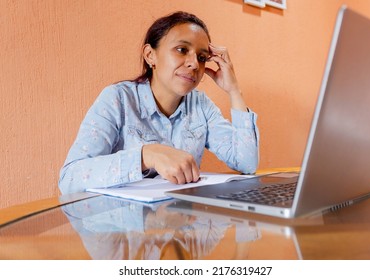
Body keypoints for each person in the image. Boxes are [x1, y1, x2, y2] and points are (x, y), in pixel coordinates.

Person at [59, 11, 259, 194]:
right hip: (126, 227)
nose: (194, 63)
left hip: (183, 224)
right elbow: (70, 178)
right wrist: (147, 155)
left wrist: (234, 90)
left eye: (202, 57)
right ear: (150, 55)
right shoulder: (118, 99)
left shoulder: (201, 105)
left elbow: (247, 162)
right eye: (181, 49)